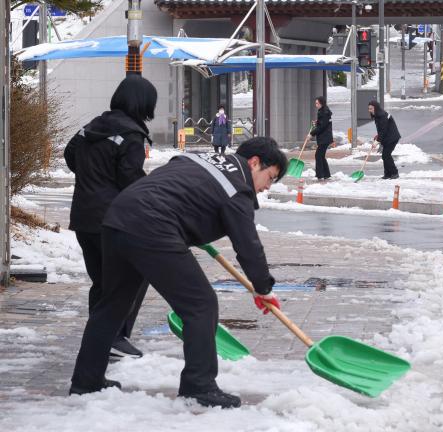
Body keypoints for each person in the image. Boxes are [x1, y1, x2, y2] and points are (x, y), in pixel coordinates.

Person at [69, 137, 288, 410]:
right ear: (255, 163)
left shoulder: (199, 158)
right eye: (270, 177)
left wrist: (189, 221)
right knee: (201, 304)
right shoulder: (237, 187)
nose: (268, 186)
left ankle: (85, 381)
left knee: (112, 305)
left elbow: (178, 190)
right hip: (153, 225)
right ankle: (200, 386)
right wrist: (263, 287)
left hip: (118, 218)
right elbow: (247, 244)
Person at [64, 76, 157, 358]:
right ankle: (115, 338)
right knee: (130, 277)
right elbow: (130, 178)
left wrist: (92, 177)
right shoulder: (131, 135)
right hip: (112, 219)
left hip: (83, 217)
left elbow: (70, 155)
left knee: (102, 281)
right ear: (143, 103)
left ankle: (99, 337)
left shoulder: (90, 127)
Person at [368, 100, 401, 180]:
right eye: (369, 109)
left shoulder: (382, 115)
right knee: (385, 156)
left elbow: (383, 130)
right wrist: (378, 136)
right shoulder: (377, 115)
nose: (370, 110)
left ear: (376, 108)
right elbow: (382, 130)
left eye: (371, 108)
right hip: (387, 137)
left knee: (386, 155)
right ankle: (387, 174)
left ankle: (394, 173)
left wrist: (377, 141)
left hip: (392, 137)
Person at [308, 96, 333, 180]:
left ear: (321, 103)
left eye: (317, 103)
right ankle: (326, 174)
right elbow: (323, 123)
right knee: (321, 156)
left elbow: (322, 127)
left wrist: (312, 134)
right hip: (325, 137)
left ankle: (320, 175)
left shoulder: (324, 112)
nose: (316, 105)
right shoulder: (323, 111)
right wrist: (317, 122)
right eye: (315, 103)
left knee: (318, 155)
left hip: (324, 138)